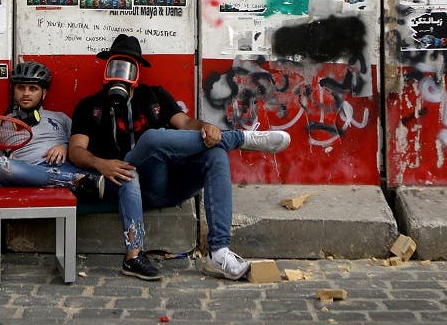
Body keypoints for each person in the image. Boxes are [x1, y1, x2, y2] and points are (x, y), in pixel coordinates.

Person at [67, 34, 291, 282]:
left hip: (163, 182)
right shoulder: (90, 106)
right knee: (152, 138)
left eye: (128, 66)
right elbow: (76, 150)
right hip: (122, 182)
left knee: (215, 153)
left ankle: (218, 252)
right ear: (107, 70)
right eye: (116, 65)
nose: (122, 73)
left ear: (137, 72)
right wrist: (101, 164)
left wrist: (207, 127)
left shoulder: (154, 97)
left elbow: (185, 123)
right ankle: (239, 139)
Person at [0, 61, 104, 198]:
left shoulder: (60, 118)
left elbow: (81, 146)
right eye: (21, 88)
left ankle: (71, 180)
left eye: (33, 88)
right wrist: (9, 160)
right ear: (14, 91)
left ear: (43, 93)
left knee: (115, 180)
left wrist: (66, 147)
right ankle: (73, 181)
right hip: (27, 174)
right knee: (2, 167)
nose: (26, 93)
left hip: (62, 167)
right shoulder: (1, 124)